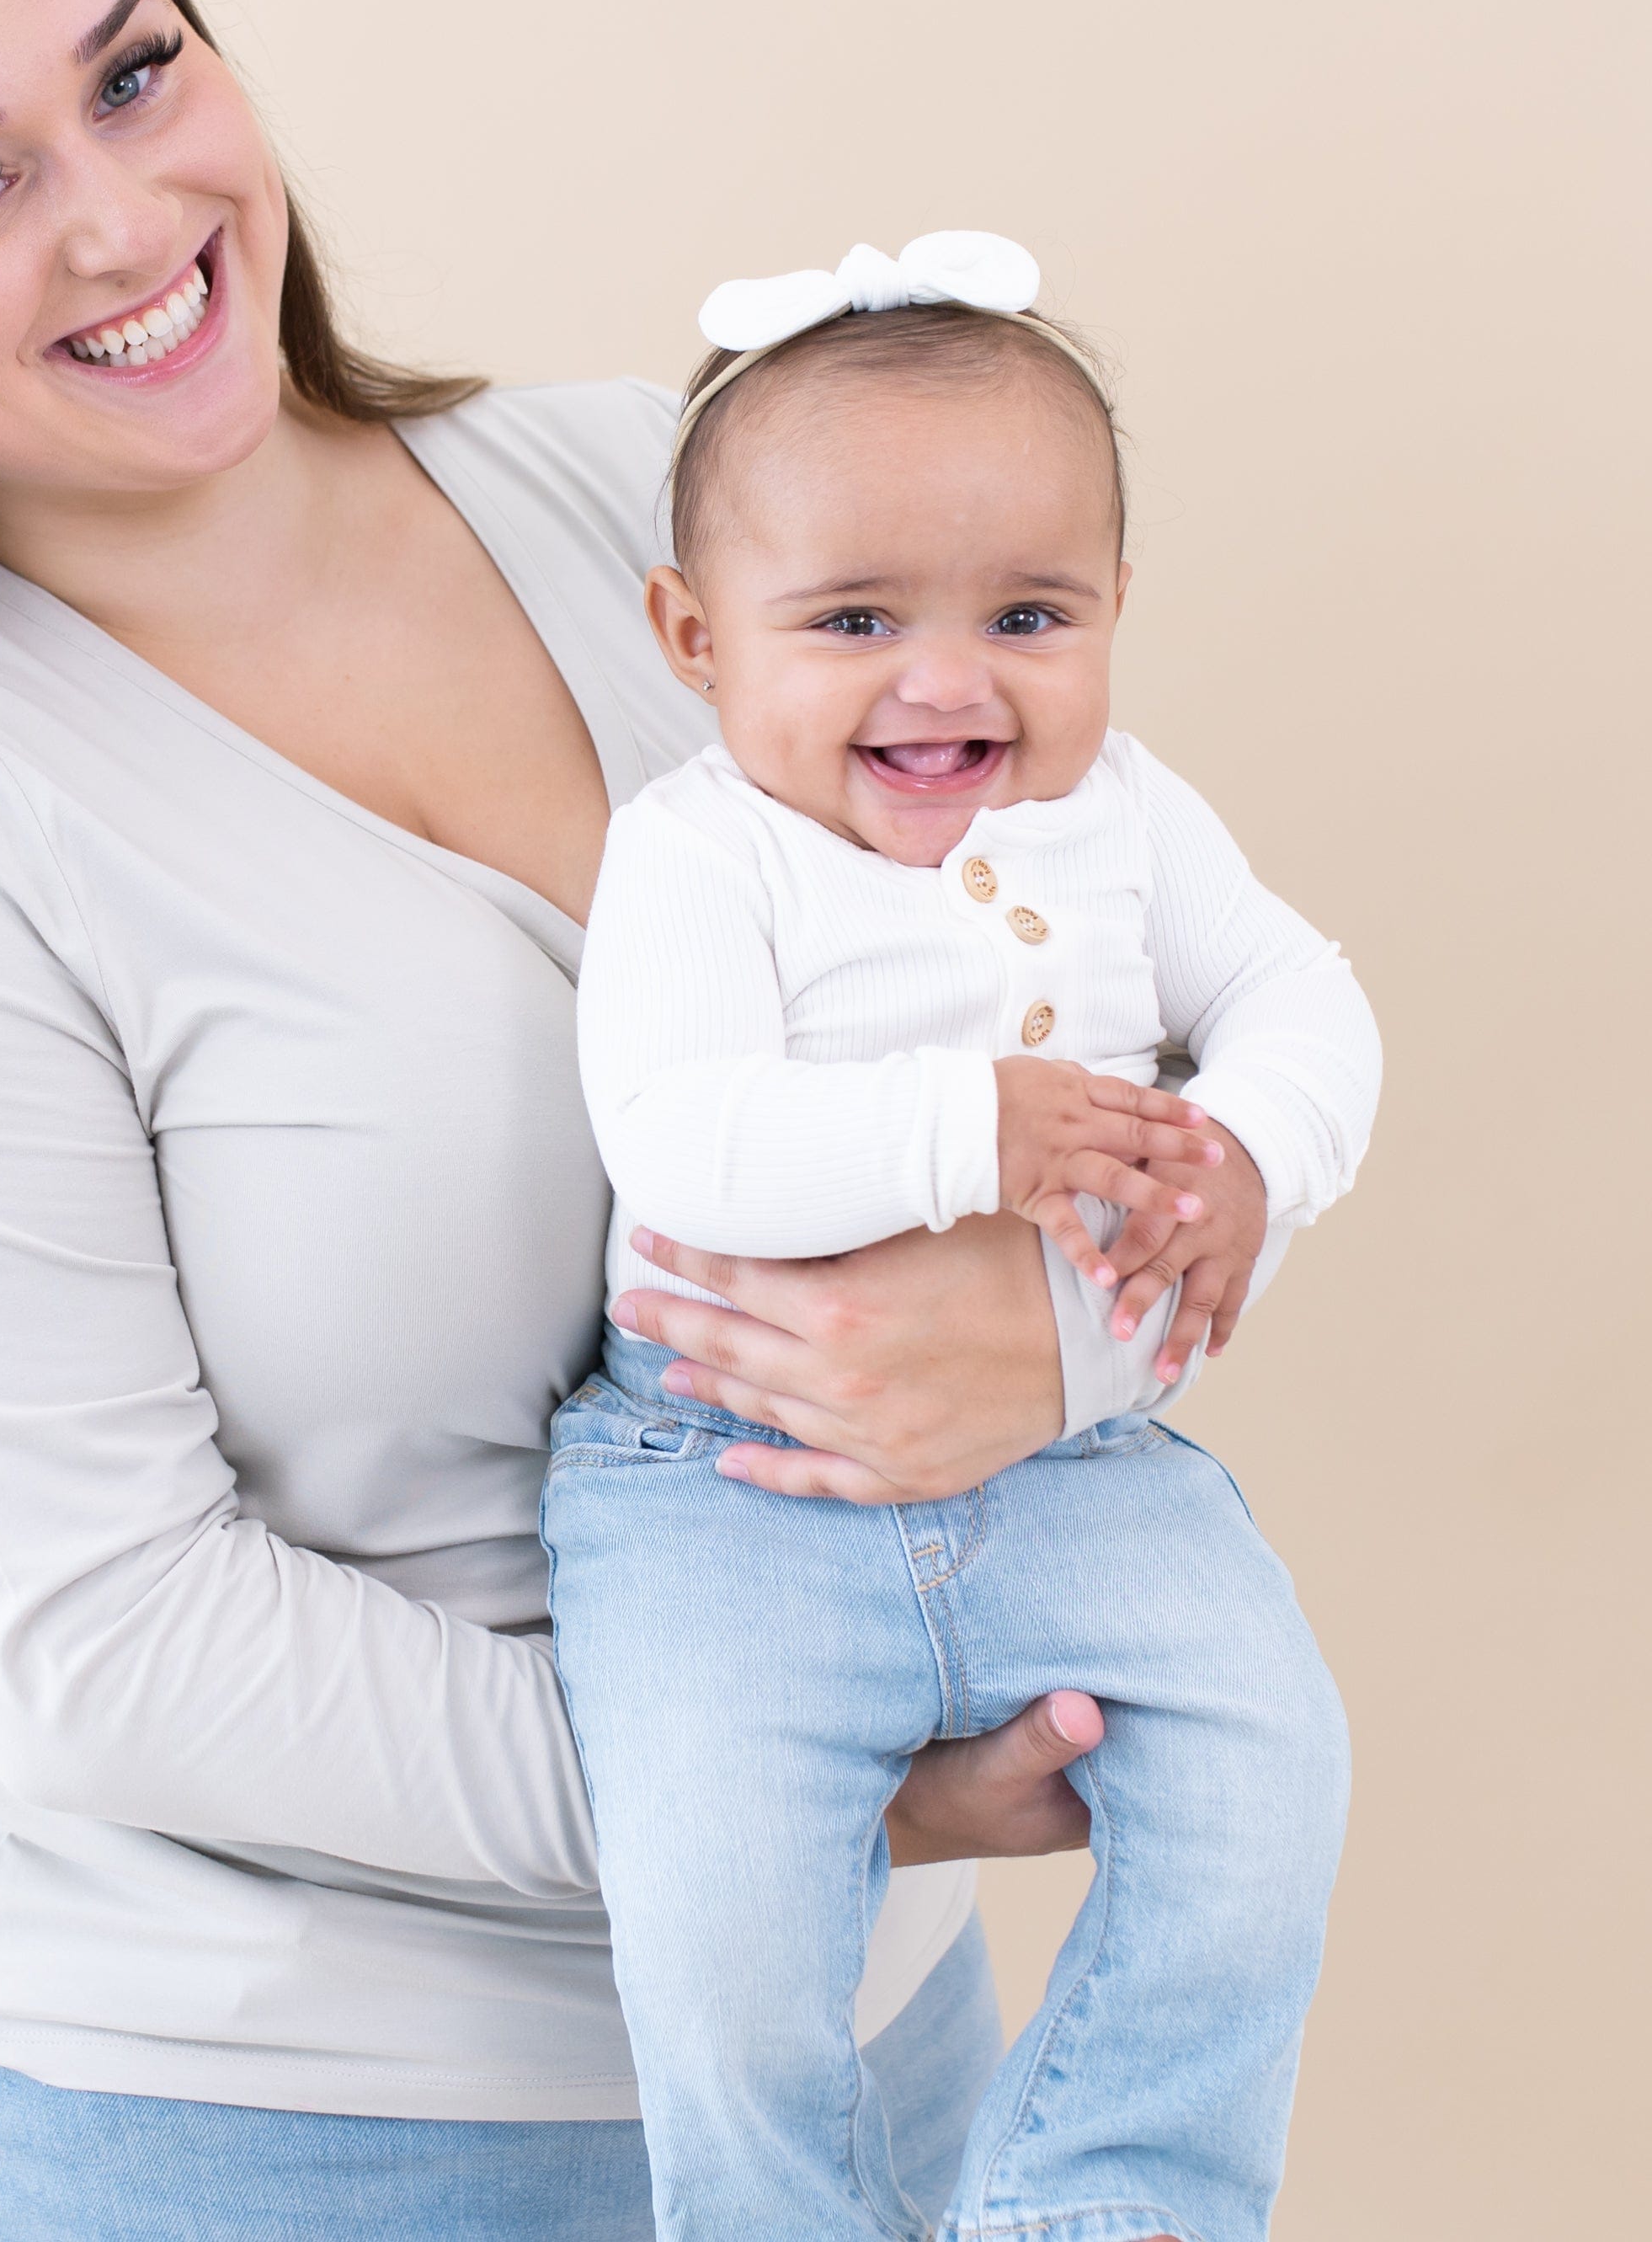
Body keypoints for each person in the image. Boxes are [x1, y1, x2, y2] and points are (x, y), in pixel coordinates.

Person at [0, 0, 1275, 2241]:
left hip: (858, 2041)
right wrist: (809, 1785)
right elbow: (107, 1648)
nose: (125, 219)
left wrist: (1071, 1352)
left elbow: (1119, 1036)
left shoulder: (649, 513)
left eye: (136, 75)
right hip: (281, 2128)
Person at [553, 236, 1377, 2239]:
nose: (948, 680)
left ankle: (1103, 2192)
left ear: (1111, 615)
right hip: (719, 1490)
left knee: (1269, 1776)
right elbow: (676, 1135)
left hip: (1080, 1463)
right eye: (850, 619)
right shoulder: (697, 854)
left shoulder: (1134, 820)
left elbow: (1308, 992)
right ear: (694, 634)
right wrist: (967, 1129)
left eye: (1028, 611)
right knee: (724, 1927)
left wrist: (1255, 1156)